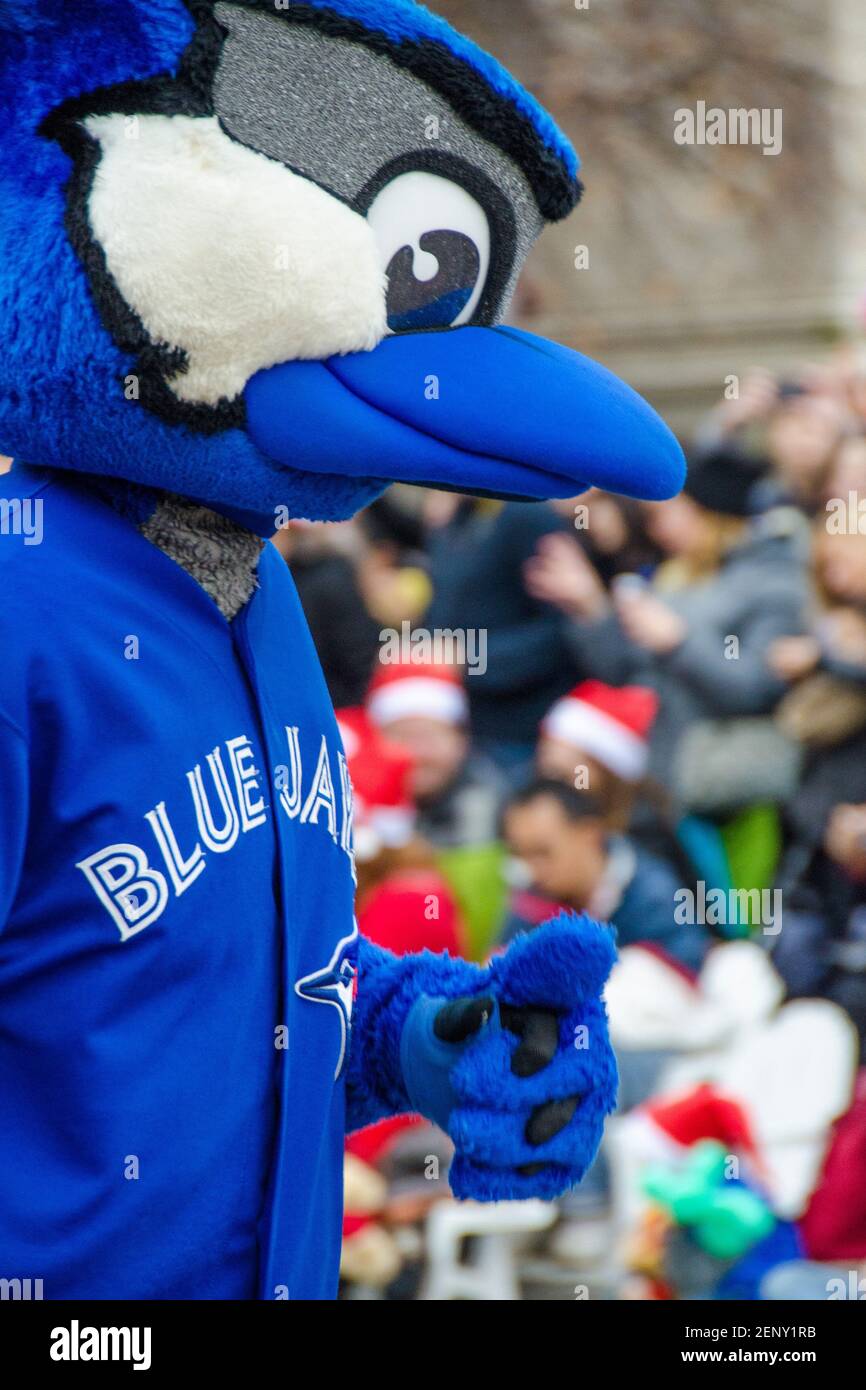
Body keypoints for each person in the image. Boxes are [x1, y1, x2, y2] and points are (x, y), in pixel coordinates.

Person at [365, 659, 509, 955]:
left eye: (429, 736)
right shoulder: (357, 807)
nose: (416, 753)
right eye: (401, 736)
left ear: (460, 739)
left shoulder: (487, 809)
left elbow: (473, 926)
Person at [501, 780, 708, 973]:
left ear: (589, 835)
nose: (533, 869)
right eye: (521, 855)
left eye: (542, 853)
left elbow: (688, 966)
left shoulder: (652, 894)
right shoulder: (528, 900)